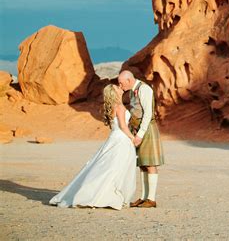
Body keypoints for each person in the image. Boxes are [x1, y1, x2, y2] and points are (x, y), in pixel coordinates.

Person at [49, 84, 136, 209]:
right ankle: (102, 195)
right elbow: (123, 126)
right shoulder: (120, 107)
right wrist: (133, 138)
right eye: (117, 87)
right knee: (114, 168)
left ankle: (97, 192)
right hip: (121, 139)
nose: (120, 88)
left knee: (104, 166)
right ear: (114, 93)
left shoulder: (112, 106)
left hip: (113, 138)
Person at [118, 69, 164, 209]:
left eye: (121, 83)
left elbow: (148, 113)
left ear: (129, 80)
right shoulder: (133, 90)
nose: (120, 86)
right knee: (143, 164)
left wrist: (140, 134)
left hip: (146, 130)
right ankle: (144, 197)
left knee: (150, 163)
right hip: (138, 129)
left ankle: (151, 199)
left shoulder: (144, 89)